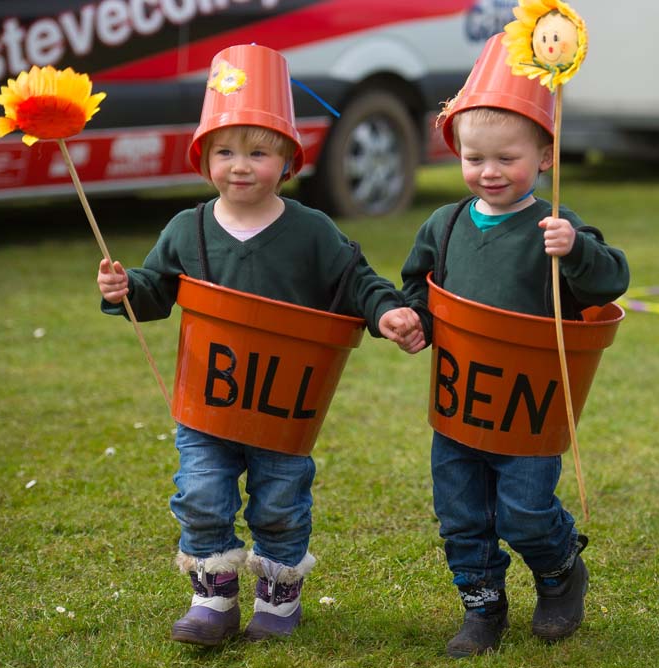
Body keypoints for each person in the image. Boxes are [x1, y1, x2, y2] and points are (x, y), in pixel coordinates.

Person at [97, 44, 422, 647]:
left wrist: (388, 314)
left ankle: (277, 597)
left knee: (280, 501)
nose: (240, 166)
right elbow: (156, 291)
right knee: (200, 495)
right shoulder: (186, 229)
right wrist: (125, 290)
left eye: (258, 151)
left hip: (285, 405)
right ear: (204, 160)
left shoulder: (311, 231)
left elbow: (358, 283)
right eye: (224, 151)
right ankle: (212, 597)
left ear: (288, 160)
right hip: (207, 403)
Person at [399, 34, 630, 657]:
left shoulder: (555, 226)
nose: (490, 172)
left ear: (545, 155)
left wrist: (577, 251)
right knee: (462, 516)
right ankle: (482, 608)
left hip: (532, 404)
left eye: (507, 157)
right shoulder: (442, 225)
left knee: (525, 511)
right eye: (475, 158)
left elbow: (610, 283)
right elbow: (418, 283)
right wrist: (413, 318)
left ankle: (560, 573)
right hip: (458, 404)